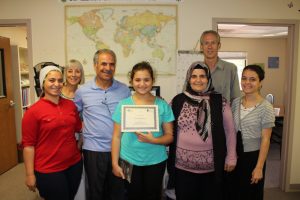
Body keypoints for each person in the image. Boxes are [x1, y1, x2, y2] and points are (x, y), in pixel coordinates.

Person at [167, 61, 237, 200]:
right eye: (194, 76)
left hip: (211, 168)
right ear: (188, 78)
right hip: (182, 168)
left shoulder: (220, 101)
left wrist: (231, 156)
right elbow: (167, 125)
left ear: (208, 79)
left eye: (202, 76)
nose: (198, 80)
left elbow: (230, 131)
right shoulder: (177, 100)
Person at [111, 61, 174, 200]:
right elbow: (116, 137)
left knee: (152, 196)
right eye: (137, 80)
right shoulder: (123, 105)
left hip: (156, 161)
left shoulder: (162, 105)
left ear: (152, 81)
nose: (142, 84)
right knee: (132, 195)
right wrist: (115, 164)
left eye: (146, 80)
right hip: (129, 160)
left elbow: (170, 136)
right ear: (131, 81)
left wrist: (154, 140)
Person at [74, 49, 131, 200]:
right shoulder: (83, 91)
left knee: (118, 192)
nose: (108, 68)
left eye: (112, 64)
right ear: (95, 65)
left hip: (120, 150)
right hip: (93, 150)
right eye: (103, 63)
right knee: (96, 192)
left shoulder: (124, 90)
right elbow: (73, 115)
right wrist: (80, 134)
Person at [22, 65, 83, 200]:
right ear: (43, 83)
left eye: (60, 80)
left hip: (74, 165)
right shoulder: (32, 112)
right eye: (51, 80)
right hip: (49, 169)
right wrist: (30, 174)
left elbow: (79, 127)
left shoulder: (70, 105)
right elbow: (28, 146)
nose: (57, 84)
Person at [231, 65, 275, 200]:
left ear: (260, 83)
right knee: (233, 191)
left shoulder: (266, 107)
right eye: (244, 78)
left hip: (253, 157)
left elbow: (266, 139)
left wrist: (259, 167)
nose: (247, 82)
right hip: (235, 154)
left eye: (252, 79)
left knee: (250, 193)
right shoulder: (235, 102)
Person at [61, 59, 86, 200]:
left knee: (76, 180)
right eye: (70, 71)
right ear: (65, 73)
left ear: (81, 75)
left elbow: (85, 122)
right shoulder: (55, 90)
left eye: (77, 71)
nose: (74, 74)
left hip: (77, 141)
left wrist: (79, 144)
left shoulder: (84, 94)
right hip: (58, 141)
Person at [200, 30, 241, 102]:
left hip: (224, 113)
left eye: (213, 43)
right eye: (206, 43)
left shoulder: (230, 69)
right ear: (201, 46)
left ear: (219, 45)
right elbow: (186, 96)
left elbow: (236, 99)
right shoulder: (194, 69)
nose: (210, 47)